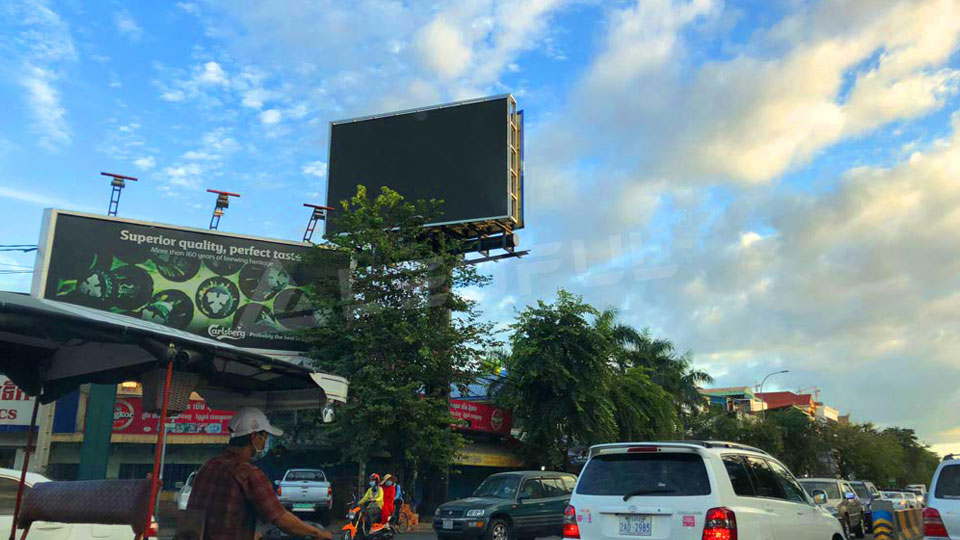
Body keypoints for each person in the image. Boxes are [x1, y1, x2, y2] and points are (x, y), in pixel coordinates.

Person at [187, 407, 332, 540]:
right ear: (254, 437)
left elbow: (216, 513)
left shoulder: (209, 466)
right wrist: (318, 533)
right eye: (265, 437)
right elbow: (281, 519)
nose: (264, 443)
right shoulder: (248, 473)